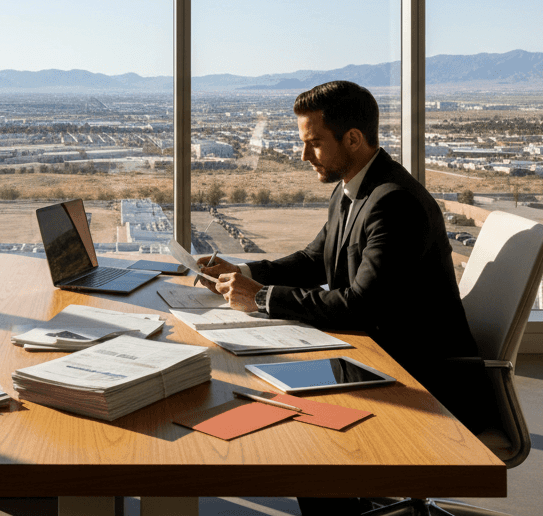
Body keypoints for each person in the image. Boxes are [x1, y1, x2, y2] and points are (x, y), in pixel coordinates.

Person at [198, 81, 490, 516]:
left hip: (422, 377)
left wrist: (261, 298)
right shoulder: (353, 188)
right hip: (376, 354)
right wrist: (244, 273)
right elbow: (316, 259)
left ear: (353, 138)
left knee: (298, 424)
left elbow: (360, 307)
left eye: (314, 142)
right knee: (269, 388)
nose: (304, 155)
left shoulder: (394, 202)